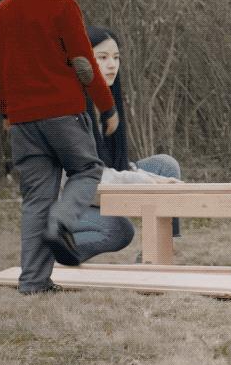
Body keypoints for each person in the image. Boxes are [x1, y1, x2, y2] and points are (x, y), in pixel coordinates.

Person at [0, 0, 116, 293]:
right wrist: (107, 108)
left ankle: (34, 282)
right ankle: (61, 219)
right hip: (63, 115)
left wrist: (6, 110)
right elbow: (84, 65)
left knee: (35, 197)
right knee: (88, 170)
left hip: (23, 123)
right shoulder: (63, 7)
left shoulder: (5, 9)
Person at [68, 26, 185, 263]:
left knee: (165, 166)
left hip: (101, 190)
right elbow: (89, 177)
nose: (112, 64)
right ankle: (52, 250)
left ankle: (156, 254)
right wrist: (147, 183)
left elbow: (117, 167)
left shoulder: (110, 106)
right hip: (69, 200)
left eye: (116, 57)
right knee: (119, 229)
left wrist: (160, 180)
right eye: (102, 57)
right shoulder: (71, 110)